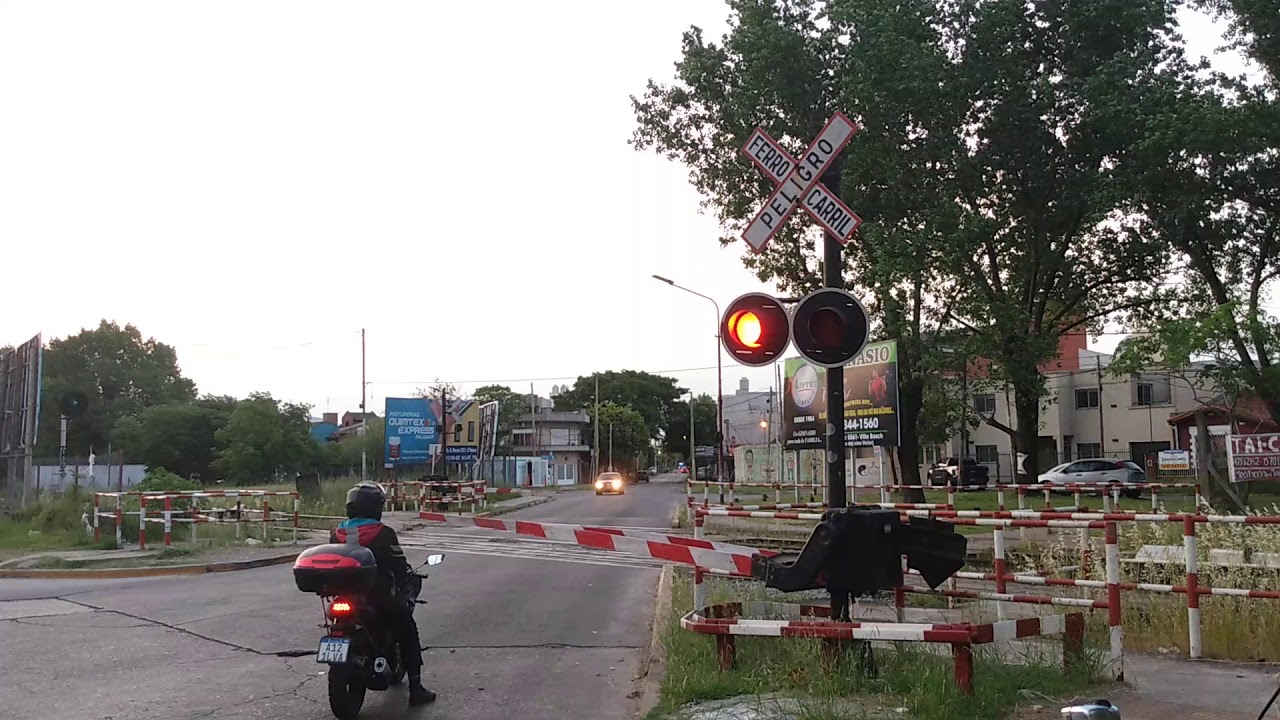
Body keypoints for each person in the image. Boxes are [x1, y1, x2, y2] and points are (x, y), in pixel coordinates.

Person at [330, 481, 435, 706]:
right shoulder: (383, 533)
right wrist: (407, 574)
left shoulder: (337, 532)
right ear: (376, 507)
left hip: (343, 598)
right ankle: (416, 688)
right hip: (377, 599)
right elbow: (399, 565)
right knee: (407, 628)